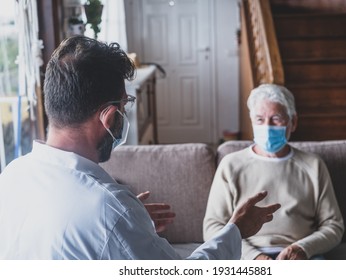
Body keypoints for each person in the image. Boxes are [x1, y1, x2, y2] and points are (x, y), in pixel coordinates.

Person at [0, 36, 280, 260]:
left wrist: (130, 230)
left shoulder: (12, 175)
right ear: (109, 116)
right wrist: (235, 231)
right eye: (125, 105)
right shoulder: (109, 209)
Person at [203, 83, 344, 260]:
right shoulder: (231, 165)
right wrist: (255, 257)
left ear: (293, 123)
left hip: (301, 256)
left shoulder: (314, 165)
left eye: (276, 119)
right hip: (245, 257)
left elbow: (334, 225)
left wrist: (302, 248)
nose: (267, 127)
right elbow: (212, 227)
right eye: (260, 120)